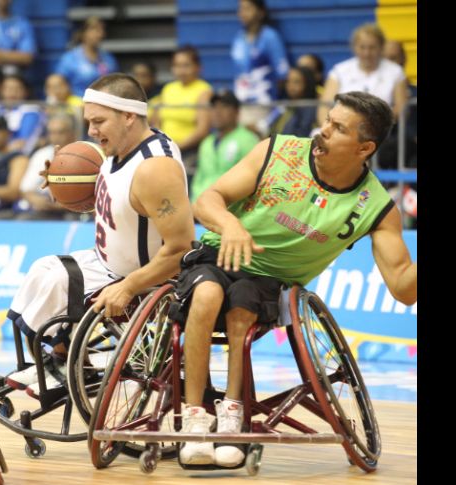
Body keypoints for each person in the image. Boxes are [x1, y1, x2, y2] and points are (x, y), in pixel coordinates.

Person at [176, 91, 417, 467]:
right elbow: (209, 198)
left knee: (242, 311)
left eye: (338, 128)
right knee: (207, 294)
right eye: (328, 120)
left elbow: (403, 288)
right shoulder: (278, 151)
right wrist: (230, 225)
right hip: (218, 255)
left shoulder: (375, 206)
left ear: (365, 148)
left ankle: (232, 411)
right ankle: (193, 416)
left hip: (271, 281)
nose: (323, 131)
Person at [4, 73, 196, 397]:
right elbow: (119, 199)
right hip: (108, 263)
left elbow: (181, 249)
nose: (91, 131)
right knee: (42, 270)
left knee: (57, 282)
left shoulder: (155, 168)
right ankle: (61, 360)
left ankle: (65, 364)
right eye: (88, 122)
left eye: (98, 122)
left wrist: (129, 286)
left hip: (143, 277)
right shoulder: (120, 148)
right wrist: (64, 182)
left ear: (129, 116)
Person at [318, 23, 408, 125]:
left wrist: (378, 125)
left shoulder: (396, 72)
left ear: (381, 47)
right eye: (362, 47)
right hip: (342, 127)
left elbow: (401, 108)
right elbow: (324, 107)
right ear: (354, 47)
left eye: (372, 47)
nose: (367, 53)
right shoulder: (339, 71)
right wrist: (330, 127)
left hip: (384, 129)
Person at [152, 46, 213, 171]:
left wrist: (176, 146)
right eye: (177, 65)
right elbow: (156, 121)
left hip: (190, 152)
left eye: (186, 65)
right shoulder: (168, 88)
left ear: (198, 67)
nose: (181, 70)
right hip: (164, 148)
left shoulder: (204, 90)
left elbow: (202, 130)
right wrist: (162, 144)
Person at [231, 0, 289, 129]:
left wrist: (271, 104)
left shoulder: (270, 37)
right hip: (240, 103)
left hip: (263, 104)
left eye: (247, 9)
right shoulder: (238, 38)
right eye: (240, 9)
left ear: (261, 12)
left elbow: (282, 74)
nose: (242, 13)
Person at [191, 91, 259, 202]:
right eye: (214, 107)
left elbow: (254, 180)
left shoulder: (248, 140)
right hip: (201, 205)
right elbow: (199, 178)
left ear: (236, 112)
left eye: (224, 106)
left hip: (230, 206)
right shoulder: (206, 143)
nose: (217, 112)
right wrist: (195, 203)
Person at [54, 17, 118, 97]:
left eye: (101, 30)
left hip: (102, 102)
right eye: (94, 29)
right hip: (76, 102)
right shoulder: (69, 59)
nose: (100, 34)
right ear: (83, 33)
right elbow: (58, 84)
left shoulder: (109, 59)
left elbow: (115, 85)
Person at [266, 66, 318, 138]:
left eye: (296, 82)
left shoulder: (310, 108)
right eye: (288, 81)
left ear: (307, 83)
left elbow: (302, 135)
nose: (291, 86)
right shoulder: (284, 106)